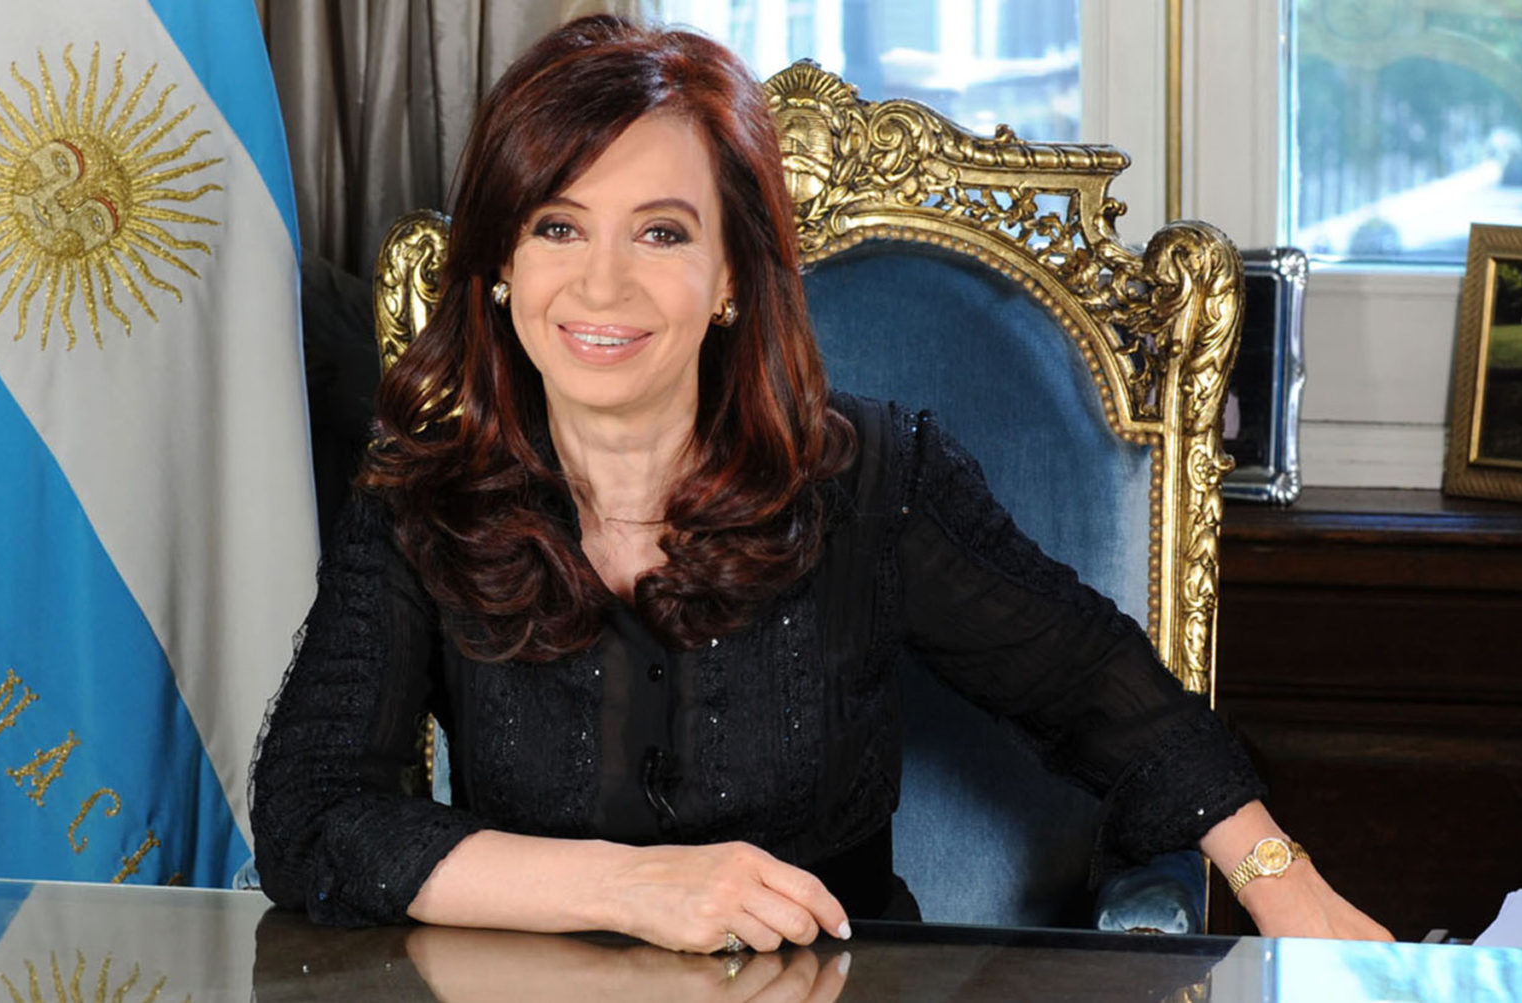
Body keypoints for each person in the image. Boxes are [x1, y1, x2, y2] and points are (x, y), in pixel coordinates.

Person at [249, 15, 1389, 953]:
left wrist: (1292, 892)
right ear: (502, 265)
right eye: (558, 226)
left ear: (731, 278)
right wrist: (626, 888)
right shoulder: (422, 494)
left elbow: (1094, 684)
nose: (601, 285)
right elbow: (311, 818)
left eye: (660, 233)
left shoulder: (871, 480)